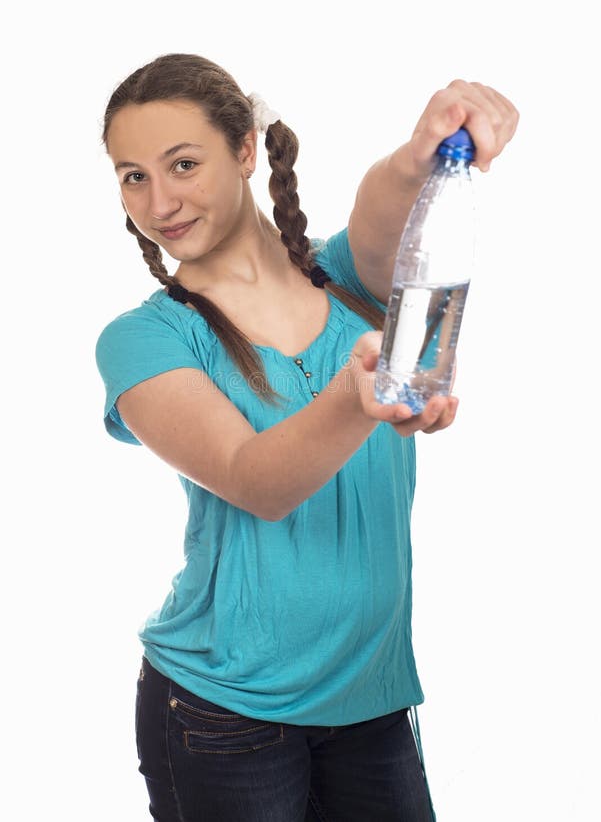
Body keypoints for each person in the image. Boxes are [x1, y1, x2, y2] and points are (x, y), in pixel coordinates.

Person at [95, 53, 518, 822]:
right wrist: (356, 402)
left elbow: (387, 212)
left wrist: (419, 149)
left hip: (371, 701)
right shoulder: (145, 341)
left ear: (246, 150)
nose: (158, 202)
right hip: (223, 714)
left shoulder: (345, 285)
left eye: (182, 164)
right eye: (133, 176)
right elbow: (255, 479)